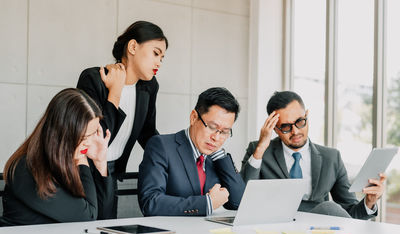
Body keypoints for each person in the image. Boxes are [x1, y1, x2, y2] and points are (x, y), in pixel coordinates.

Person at [241, 91, 386, 219]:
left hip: (318, 230)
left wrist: (369, 202)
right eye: (285, 127)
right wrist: (260, 148)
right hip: (274, 226)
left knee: (329, 208)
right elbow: (242, 198)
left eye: (300, 122)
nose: (295, 131)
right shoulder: (258, 150)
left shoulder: (331, 158)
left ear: (307, 116)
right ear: (275, 129)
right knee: (329, 207)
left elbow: (350, 213)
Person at [76, 21, 168, 218]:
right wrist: (115, 91)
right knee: (85, 228)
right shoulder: (94, 78)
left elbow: (148, 132)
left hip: (114, 172)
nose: (159, 62)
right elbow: (96, 136)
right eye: (156, 53)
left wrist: (172, 156)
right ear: (133, 47)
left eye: (162, 57)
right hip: (83, 171)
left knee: (107, 228)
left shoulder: (149, 87)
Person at [0, 88, 113, 226]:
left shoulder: (68, 162)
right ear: (63, 134)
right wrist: (83, 161)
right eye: (84, 136)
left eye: (93, 134)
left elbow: (104, 218)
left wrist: (100, 163)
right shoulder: (26, 168)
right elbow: (87, 218)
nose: (89, 142)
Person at [138, 87, 245, 216]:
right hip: (172, 232)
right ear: (194, 117)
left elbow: (238, 202)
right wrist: (207, 203)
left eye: (224, 132)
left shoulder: (215, 158)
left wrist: (220, 156)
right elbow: (150, 202)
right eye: (212, 127)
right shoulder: (161, 146)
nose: (216, 137)